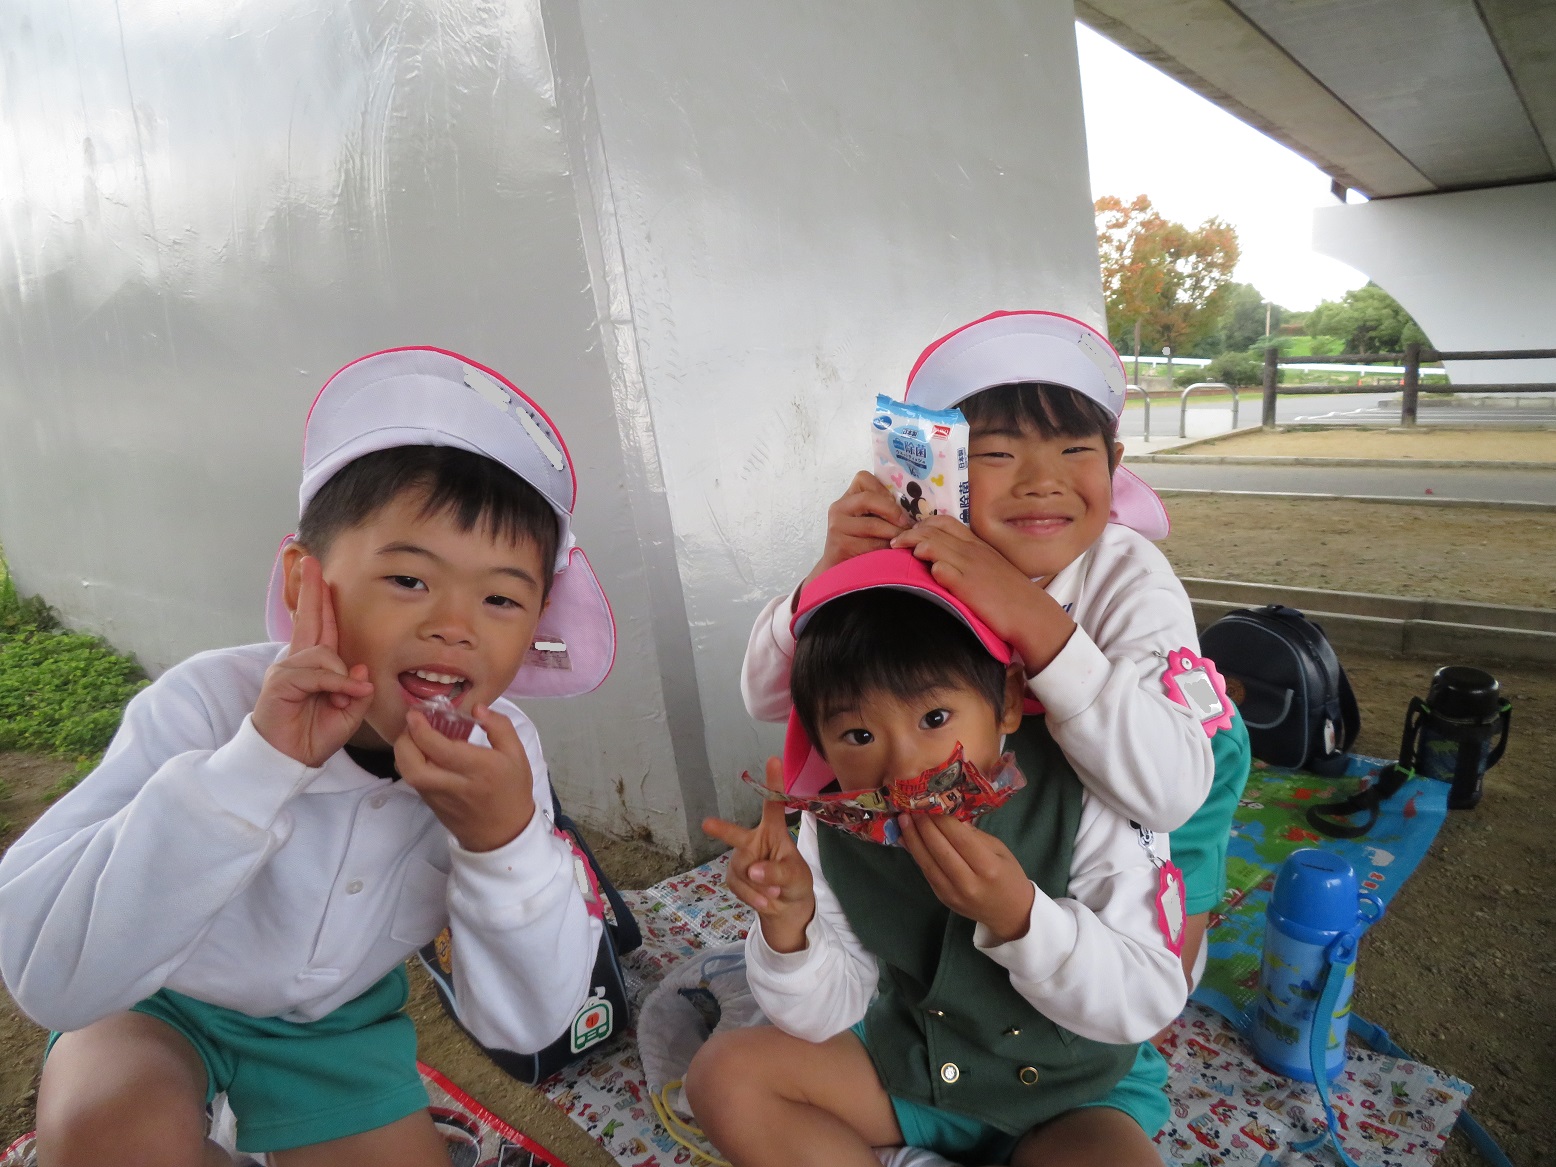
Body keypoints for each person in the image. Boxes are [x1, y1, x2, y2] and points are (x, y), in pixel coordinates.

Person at [0, 348, 618, 1166]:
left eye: (501, 596)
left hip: (336, 1026)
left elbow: (533, 1024)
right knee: (113, 1139)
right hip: (156, 1001)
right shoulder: (206, 703)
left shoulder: (504, 762)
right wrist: (255, 766)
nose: (455, 624)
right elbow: (45, 970)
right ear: (305, 582)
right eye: (409, 579)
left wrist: (502, 846)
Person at [741, 310, 1251, 998]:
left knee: (1160, 975)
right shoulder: (923, 547)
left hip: (1172, 748)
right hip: (1027, 753)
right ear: (940, 467)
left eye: (1074, 450)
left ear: (1113, 462)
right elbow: (770, 698)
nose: (1041, 480)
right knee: (1025, 897)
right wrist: (828, 575)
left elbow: (1168, 794)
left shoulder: (1130, 575)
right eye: (998, 454)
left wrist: (1027, 613)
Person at [689, 549, 1188, 1167]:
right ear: (820, 743)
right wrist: (789, 927)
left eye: (934, 717)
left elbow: (1148, 998)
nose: (903, 769)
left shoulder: (1085, 786)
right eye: (859, 735)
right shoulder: (834, 824)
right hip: (916, 1071)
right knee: (725, 1078)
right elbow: (827, 1013)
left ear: (1008, 699)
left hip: (1077, 1096)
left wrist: (1020, 917)